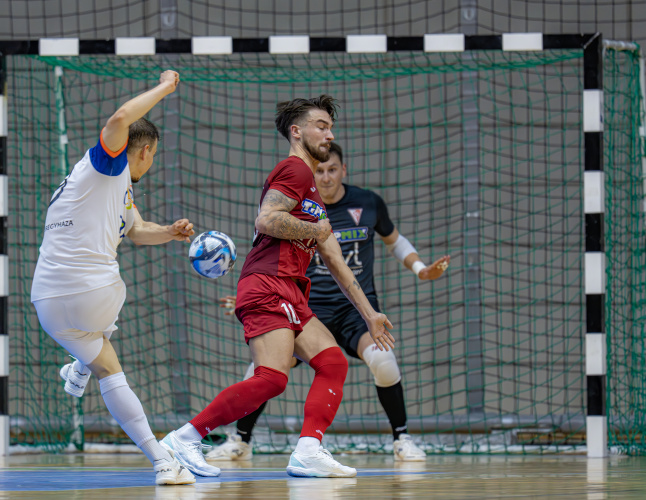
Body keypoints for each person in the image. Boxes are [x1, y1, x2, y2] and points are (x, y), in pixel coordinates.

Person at [159, 95, 395, 479]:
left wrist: (370, 314)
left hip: (291, 291)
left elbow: (335, 260)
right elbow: (267, 219)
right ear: (296, 131)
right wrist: (314, 229)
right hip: (269, 283)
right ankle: (184, 438)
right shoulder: (295, 169)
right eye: (321, 126)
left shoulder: (311, 191)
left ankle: (308, 450)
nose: (329, 134)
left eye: (331, 127)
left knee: (332, 362)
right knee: (272, 379)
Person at [208, 143, 450, 462]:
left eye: (332, 170)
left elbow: (395, 241)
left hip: (354, 311)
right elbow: (269, 251)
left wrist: (421, 269)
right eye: (319, 171)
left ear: (343, 170)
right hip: (307, 308)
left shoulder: (368, 202)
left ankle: (401, 438)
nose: (325, 177)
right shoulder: (300, 208)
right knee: (263, 369)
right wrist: (255, 296)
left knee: (384, 361)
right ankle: (240, 440)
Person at [30, 70, 196, 486]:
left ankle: (162, 461)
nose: (151, 163)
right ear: (145, 151)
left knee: (108, 367)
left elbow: (137, 231)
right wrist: (166, 86)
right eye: (153, 155)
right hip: (94, 292)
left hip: (46, 302)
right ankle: (83, 371)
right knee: (114, 289)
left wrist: (169, 232)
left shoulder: (106, 188)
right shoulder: (107, 163)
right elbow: (121, 118)